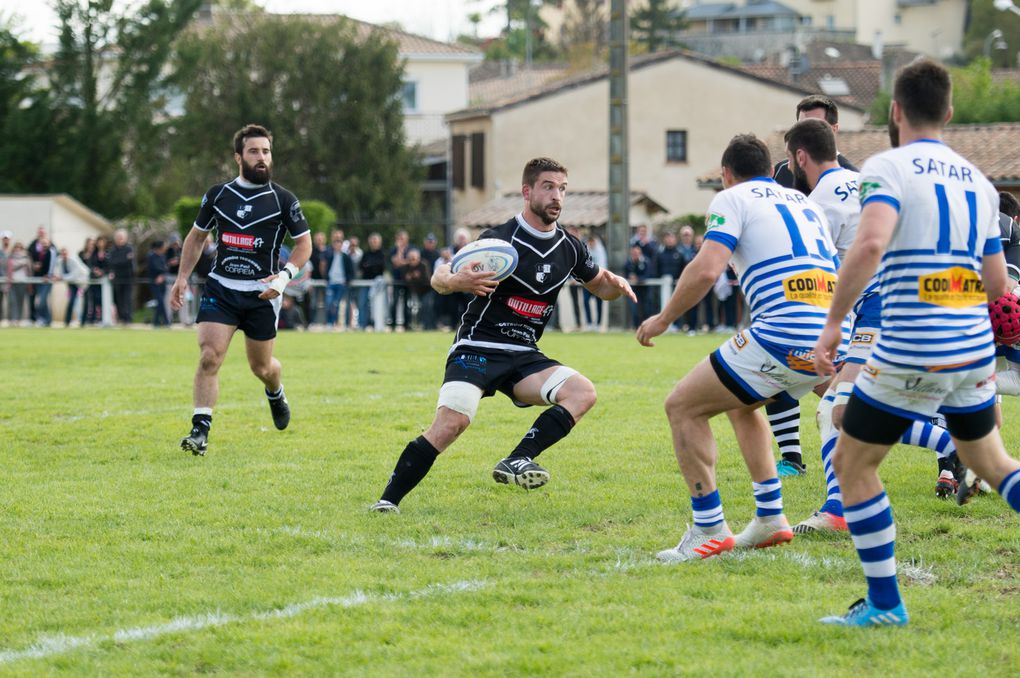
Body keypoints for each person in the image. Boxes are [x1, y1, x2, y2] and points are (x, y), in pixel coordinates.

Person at [810, 59, 1020, 626]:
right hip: (974, 349)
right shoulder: (978, 180)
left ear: (895, 112)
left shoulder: (888, 166)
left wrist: (832, 324)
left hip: (910, 345)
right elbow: (997, 282)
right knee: (992, 461)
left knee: (853, 460)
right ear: (949, 113)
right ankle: (884, 604)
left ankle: (884, 606)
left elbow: (870, 242)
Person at [371, 157, 636, 513]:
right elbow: (439, 276)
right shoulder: (497, 241)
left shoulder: (570, 247)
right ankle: (387, 501)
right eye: (548, 187)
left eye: (562, 189)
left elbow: (599, 285)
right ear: (527, 192)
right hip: (478, 345)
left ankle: (518, 459)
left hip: (524, 354)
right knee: (453, 423)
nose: (557, 196)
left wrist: (616, 285)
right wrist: (454, 280)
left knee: (582, 393)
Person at [636, 133, 839, 563]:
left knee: (682, 407)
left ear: (726, 175)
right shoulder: (805, 204)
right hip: (828, 336)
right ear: (771, 171)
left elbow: (707, 268)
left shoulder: (732, 198)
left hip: (784, 332)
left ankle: (708, 528)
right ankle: (770, 517)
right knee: (740, 401)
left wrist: (664, 318)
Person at [782, 119, 962, 537]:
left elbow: (822, 274)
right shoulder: (865, 182)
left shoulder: (818, 201)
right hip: (913, 301)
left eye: (791, 159)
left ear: (800, 157)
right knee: (849, 409)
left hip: (882, 309)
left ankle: (840, 509)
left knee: (837, 410)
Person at [170, 123, 312, 456]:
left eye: (266, 151)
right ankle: (200, 430)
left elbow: (304, 244)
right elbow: (196, 238)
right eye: (254, 151)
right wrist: (181, 278)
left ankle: (275, 391)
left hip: (262, 294)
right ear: (238, 157)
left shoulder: (283, 199)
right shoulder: (218, 195)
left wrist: (284, 276)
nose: (261, 158)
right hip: (221, 289)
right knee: (209, 356)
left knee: (262, 368)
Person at [766, 94, 861, 470]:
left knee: (831, 390)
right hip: (800, 291)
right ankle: (792, 457)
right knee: (780, 367)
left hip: (838, 296)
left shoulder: (847, 180)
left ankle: (944, 446)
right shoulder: (781, 173)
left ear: (833, 130)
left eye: (816, 125)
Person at [322, 228, 354, 330]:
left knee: (336, 304)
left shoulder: (346, 257)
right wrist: (326, 277)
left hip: (341, 283)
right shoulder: (329, 255)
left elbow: (350, 271)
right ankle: (329, 323)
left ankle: (334, 323)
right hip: (331, 282)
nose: (338, 246)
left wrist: (347, 280)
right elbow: (325, 267)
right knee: (328, 303)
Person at [358, 233, 386, 331]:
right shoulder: (366, 254)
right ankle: (362, 325)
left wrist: (369, 265)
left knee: (377, 306)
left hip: (378, 285)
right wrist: (372, 266)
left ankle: (377, 325)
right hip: (365, 282)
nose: (374, 243)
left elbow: (381, 267)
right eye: (372, 241)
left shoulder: (382, 254)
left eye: (376, 241)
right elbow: (361, 266)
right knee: (362, 304)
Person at [108, 228, 135, 324]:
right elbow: (111, 262)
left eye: (121, 237)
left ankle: (128, 318)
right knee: (119, 299)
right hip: (117, 278)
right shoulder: (112, 250)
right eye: (118, 237)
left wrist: (120, 261)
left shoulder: (129, 248)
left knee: (127, 298)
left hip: (128, 278)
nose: (120, 239)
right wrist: (123, 260)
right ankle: (121, 317)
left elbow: (129, 262)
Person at [148, 240, 170, 327]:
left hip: (162, 283)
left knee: (161, 302)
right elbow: (155, 267)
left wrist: (163, 275)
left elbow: (165, 268)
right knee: (160, 301)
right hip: (154, 282)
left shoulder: (163, 256)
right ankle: (166, 321)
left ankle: (156, 321)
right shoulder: (151, 256)